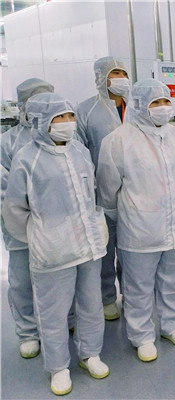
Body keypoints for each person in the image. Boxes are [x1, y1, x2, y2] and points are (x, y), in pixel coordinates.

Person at [2, 93, 110, 395]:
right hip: (52, 252)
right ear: (41, 122)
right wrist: (41, 236)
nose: (67, 123)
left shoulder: (79, 151)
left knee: (90, 304)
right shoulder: (27, 158)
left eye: (70, 116)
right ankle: (58, 367)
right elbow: (14, 209)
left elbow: (91, 192)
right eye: (59, 118)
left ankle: (90, 354)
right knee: (53, 312)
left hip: (88, 245)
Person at [97, 79, 175, 362]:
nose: (163, 108)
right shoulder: (118, 140)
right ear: (139, 105)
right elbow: (107, 189)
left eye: (166, 102)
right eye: (155, 103)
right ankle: (141, 335)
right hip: (139, 229)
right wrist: (126, 216)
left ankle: (172, 324)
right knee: (138, 286)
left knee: (173, 280)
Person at [1, 78, 53, 359]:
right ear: (23, 106)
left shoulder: (63, 138)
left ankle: (62, 322)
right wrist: (28, 218)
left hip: (57, 225)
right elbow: (5, 190)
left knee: (59, 278)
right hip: (20, 226)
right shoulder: (7, 143)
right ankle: (28, 332)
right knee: (22, 280)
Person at [76, 56, 130, 321]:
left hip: (134, 191)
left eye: (123, 73)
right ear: (101, 78)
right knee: (106, 249)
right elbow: (79, 153)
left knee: (132, 249)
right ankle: (107, 296)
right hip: (101, 193)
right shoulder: (85, 111)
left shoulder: (137, 106)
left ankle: (130, 294)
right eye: (114, 73)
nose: (120, 78)